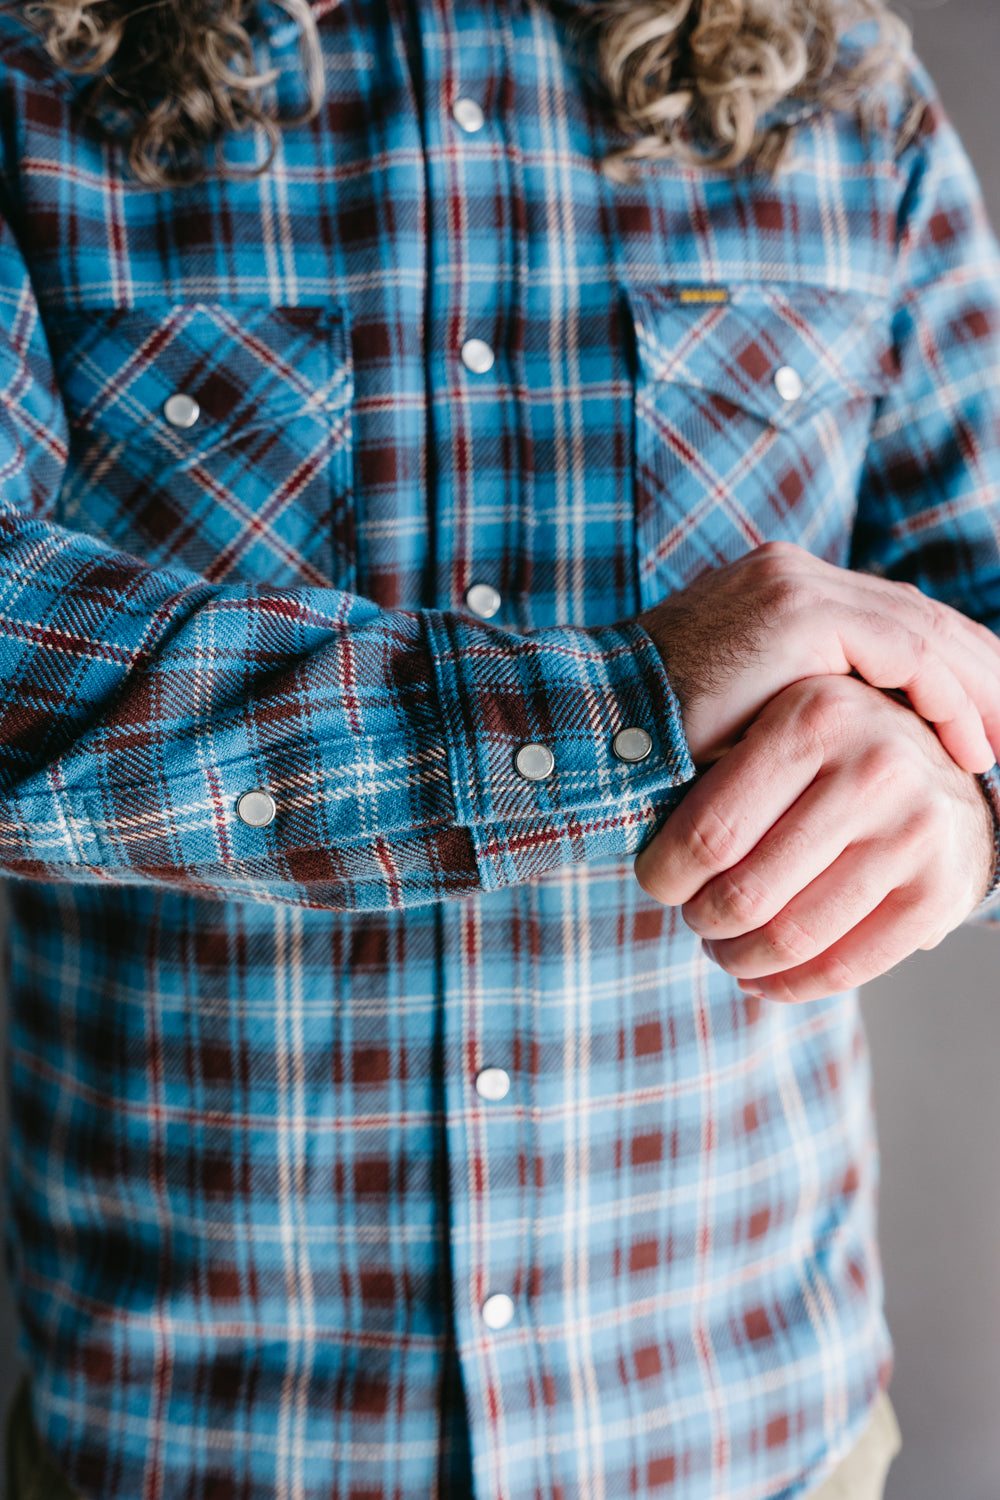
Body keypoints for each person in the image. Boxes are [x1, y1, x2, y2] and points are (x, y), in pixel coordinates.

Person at [1, 0, 999, 1496]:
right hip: (186, 1446)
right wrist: (618, 706)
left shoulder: (847, 88)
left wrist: (970, 809)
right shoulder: (29, 78)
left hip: (754, 1437)